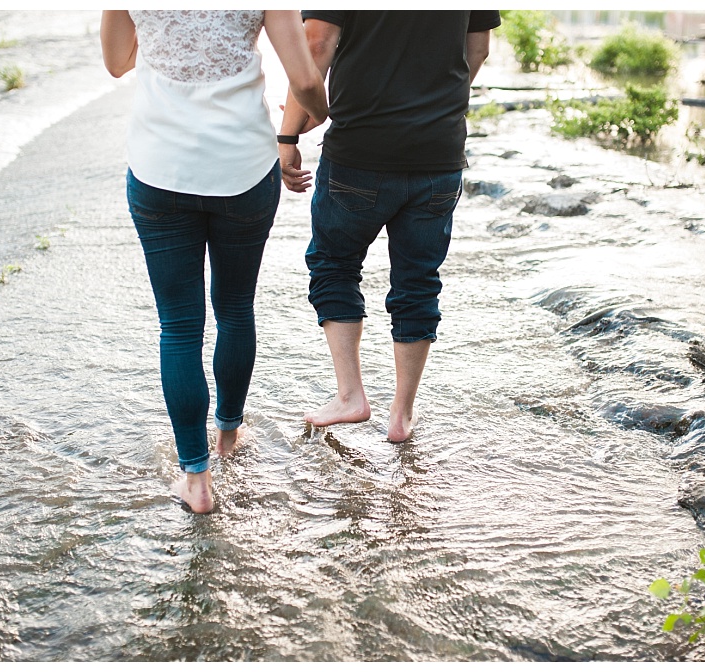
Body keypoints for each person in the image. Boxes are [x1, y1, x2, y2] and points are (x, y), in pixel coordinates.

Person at [101, 10, 328, 513]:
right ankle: (228, 434)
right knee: (234, 307)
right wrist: (316, 115)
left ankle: (196, 480)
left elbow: (117, 62)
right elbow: (306, 78)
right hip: (244, 166)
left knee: (179, 327)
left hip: (159, 167)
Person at [278, 10, 500, 443]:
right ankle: (401, 415)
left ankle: (351, 396)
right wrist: (433, 104)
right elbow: (479, 48)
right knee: (418, 281)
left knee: (334, 264)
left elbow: (317, 46)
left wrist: (288, 137)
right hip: (439, 150)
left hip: (361, 148)